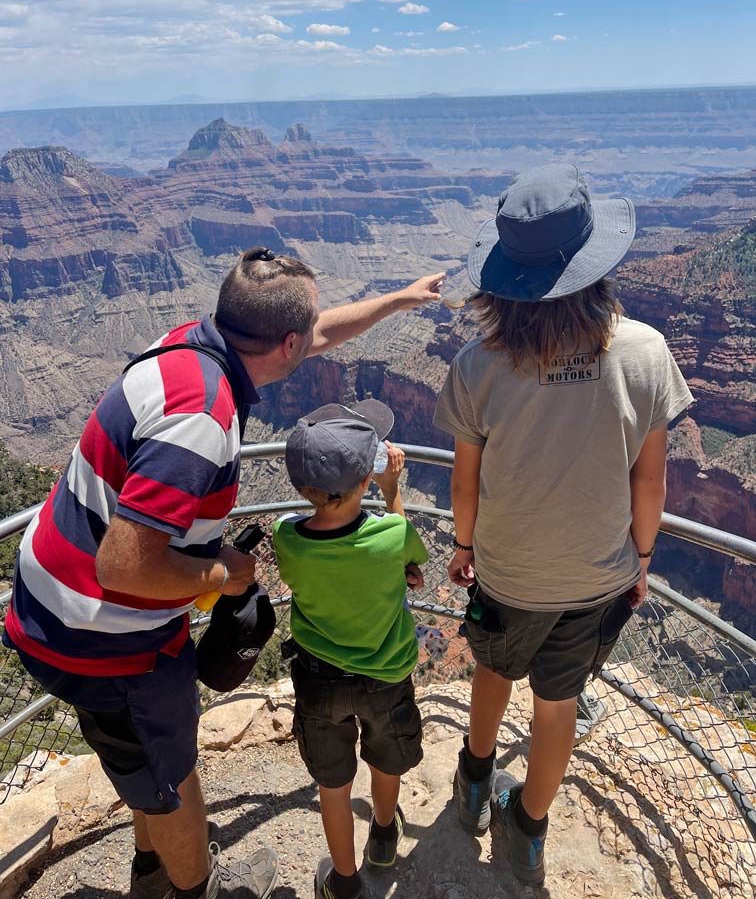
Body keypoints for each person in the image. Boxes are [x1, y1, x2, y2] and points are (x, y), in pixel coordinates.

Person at [2, 248, 444, 899]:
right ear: (284, 341)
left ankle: (152, 872)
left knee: (144, 765)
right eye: (307, 333)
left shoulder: (189, 345)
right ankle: (196, 887)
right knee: (175, 776)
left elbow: (315, 335)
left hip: (52, 598)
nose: (314, 341)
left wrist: (397, 300)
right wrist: (225, 571)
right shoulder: (201, 421)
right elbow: (123, 566)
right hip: (101, 635)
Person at [433, 164, 692, 885]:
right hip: (596, 576)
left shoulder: (477, 362)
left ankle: (475, 779)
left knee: (490, 667)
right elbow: (651, 479)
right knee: (557, 709)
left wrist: (461, 545)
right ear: (594, 264)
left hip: (507, 571)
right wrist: (641, 562)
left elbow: (464, 480)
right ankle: (528, 830)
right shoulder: (644, 351)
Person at [272, 400, 427, 899]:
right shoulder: (393, 531)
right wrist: (392, 491)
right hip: (386, 678)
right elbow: (406, 558)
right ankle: (383, 836)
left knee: (333, 786)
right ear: (366, 479)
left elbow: (306, 571)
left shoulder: (287, 539)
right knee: (386, 761)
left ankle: (343, 883)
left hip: (319, 682)